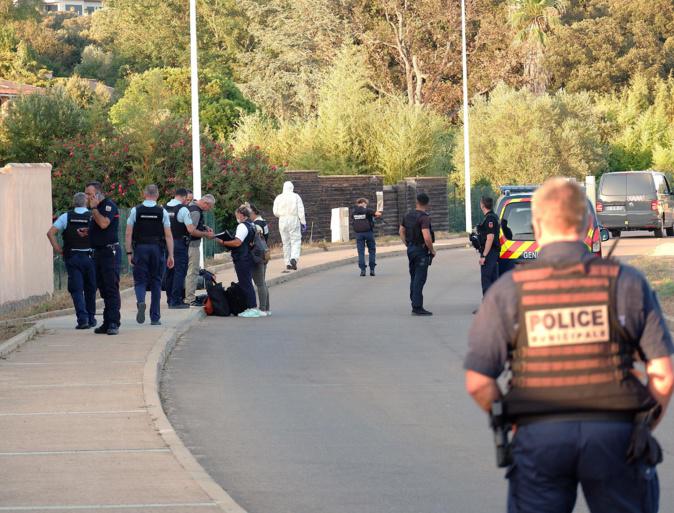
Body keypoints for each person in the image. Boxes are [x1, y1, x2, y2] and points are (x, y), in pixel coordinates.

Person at [464, 178, 674, 513]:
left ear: (536, 223)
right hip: (616, 437)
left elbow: (478, 381)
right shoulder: (626, 282)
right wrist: (642, 428)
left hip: (539, 438)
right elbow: (663, 373)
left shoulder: (509, 291)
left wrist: (513, 420)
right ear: (589, 222)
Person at [125, 184, 175, 326]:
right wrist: (171, 255)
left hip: (140, 249)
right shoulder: (162, 212)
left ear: (144, 194)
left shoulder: (136, 210)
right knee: (156, 282)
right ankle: (155, 317)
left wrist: (129, 252)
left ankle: (141, 302)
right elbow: (168, 235)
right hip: (157, 249)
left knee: (140, 281)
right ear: (157, 195)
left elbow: (128, 233)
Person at [46, 192, 97, 329]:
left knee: (77, 289)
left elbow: (50, 233)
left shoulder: (66, 216)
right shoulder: (93, 216)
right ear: (86, 202)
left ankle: (83, 320)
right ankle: (91, 318)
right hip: (90, 257)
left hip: (72, 257)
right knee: (91, 288)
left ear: (74, 203)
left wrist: (58, 249)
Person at [84, 181, 121, 335]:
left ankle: (113, 322)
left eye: (88, 194)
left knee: (111, 288)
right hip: (97, 253)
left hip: (109, 253)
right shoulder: (96, 209)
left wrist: (93, 209)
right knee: (103, 289)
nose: (86, 197)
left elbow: (104, 223)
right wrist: (87, 232)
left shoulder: (108, 206)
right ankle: (107, 322)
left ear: (97, 194)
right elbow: (99, 229)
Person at [214, 205, 262, 318]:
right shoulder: (252, 225)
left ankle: (252, 307)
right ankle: (252, 307)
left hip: (242, 257)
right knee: (247, 282)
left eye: (237, 215)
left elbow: (237, 242)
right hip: (248, 256)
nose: (236, 217)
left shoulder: (242, 226)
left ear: (241, 215)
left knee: (245, 283)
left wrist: (223, 242)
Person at [399, 193, 436, 316]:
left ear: (417, 202)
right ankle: (417, 306)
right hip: (421, 250)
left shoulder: (408, 215)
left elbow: (401, 231)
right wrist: (432, 250)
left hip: (411, 249)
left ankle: (414, 301)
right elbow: (426, 236)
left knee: (414, 276)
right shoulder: (424, 217)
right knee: (420, 278)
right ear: (427, 203)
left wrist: (407, 244)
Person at [163, 188, 193, 309]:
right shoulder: (183, 209)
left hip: (166, 242)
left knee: (169, 271)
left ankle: (170, 299)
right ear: (184, 197)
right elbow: (190, 229)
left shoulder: (164, 208)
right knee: (179, 272)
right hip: (179, 243)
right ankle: (176, 300)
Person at [185, 194, 216, 306]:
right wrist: (206, 234)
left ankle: (186, 297)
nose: (209, 210)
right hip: (192, 246)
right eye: (210, 207)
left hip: (185, 245)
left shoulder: (191, 205)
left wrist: (204, 226)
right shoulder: (196, 211)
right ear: (205, 203)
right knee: (192, 273)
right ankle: (190, 299)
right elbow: (191, 230)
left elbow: (194, 224)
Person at [273, 181, 305, 271]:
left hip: (282, 220)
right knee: (295, 240)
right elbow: (301, 210)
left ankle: (287, 263)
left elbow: (275, 212)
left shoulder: (279, 197)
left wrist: (282, 215)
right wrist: (303, 222)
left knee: (285, 242)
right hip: (293, 219)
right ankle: (294, 258)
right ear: (292, 188)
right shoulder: (296, 196)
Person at [352, 198, 382, 277]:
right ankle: (372, 269)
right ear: (364, 203)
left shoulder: (353, 211)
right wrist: (375, 215)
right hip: (368, 233)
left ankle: (362, 270)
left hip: (358, 234)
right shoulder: (368, 210)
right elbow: (378, 214)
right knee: (372, 250)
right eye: (366, 203)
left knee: (360, 252)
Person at [249, 203, 270, 315]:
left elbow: (255, 241)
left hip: (258, 255)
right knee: (263, 282)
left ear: (253, 212)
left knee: (260, 283)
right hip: (265, 252)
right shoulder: (263, 222)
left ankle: (262, 308)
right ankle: (266, 308)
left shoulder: (256, 225)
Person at [477, 196, 500, 296]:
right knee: (493, 280)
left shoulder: (490, 218)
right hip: (493, 252)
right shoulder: (493, 216)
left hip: (490, 253)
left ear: (482, 205)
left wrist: (484, 256)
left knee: (486, 279)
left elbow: (490, 238)